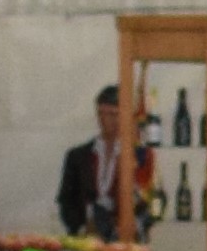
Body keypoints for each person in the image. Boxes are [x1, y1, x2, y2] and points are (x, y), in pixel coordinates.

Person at [57, 86, 144, 240]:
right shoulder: (77, 156)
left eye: (113, 114)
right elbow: (66, 201)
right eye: (101, 113)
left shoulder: (138, 156)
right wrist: (82, 227)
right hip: (85, 240)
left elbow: (149, 202)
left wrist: (132, 227)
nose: (105, 120)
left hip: (126, 242)